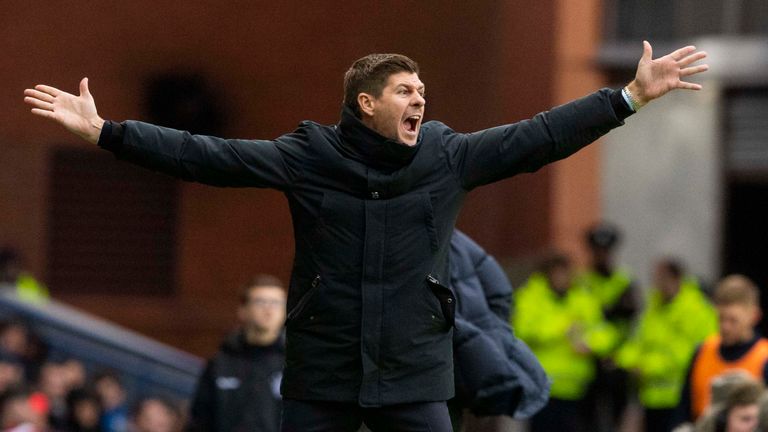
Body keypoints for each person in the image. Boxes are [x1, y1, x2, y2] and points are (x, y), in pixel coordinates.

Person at [24, 42, 709, 431]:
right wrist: (109, 132)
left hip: (414, 372)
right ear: (367, 104)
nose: (420, 101)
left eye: (422, 92)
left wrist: (627, 98)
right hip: (322, 372)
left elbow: (538, 138)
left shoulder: (447, 156)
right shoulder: (307, 156)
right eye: (406, 91)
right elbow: (209, 156)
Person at [448, 230, 549, 430]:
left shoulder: (447, 237)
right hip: (466, 364)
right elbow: (499, 292)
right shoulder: (452, 237)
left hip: (454, 364)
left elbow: (499, 293)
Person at [514, 252, 618, 432]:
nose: (563, 278)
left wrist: (590, 343)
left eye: (566, 273)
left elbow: (605, 333)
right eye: (558, 273)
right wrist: (562, 328)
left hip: (576, 387)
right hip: (542, 386)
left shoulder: (583, 298)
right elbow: (523, 330)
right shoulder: (531, 296)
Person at [615, 258, 718, 432]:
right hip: (650, 395)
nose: (657, 284)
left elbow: (686, 354)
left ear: (676, 279)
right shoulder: (653, 307)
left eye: (662, 279)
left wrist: (646, 367)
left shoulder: (695, 310)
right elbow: (637, 340)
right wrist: (626, 361)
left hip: (679, 397)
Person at [188, 275, 286, 432]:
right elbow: (199, 420)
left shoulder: (295, 363)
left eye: (276, 303)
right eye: (260, 302)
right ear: (243, 310)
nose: (269, 309)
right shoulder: (220, 363)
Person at [679, 275, 768, 422]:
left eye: (733, 320)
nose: (725, 327)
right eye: (720, 318)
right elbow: (684, 410)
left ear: (754, 316)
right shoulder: (703, 351)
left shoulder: (764, 358)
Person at [578, 222, 638, 432]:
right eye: (598, 251)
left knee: (616, 418)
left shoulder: (624, 281)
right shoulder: (582, 281)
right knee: (588, 420)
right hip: (588, 361)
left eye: (606, 251)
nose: (602, 256)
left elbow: (630, 323)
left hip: (617, 361)